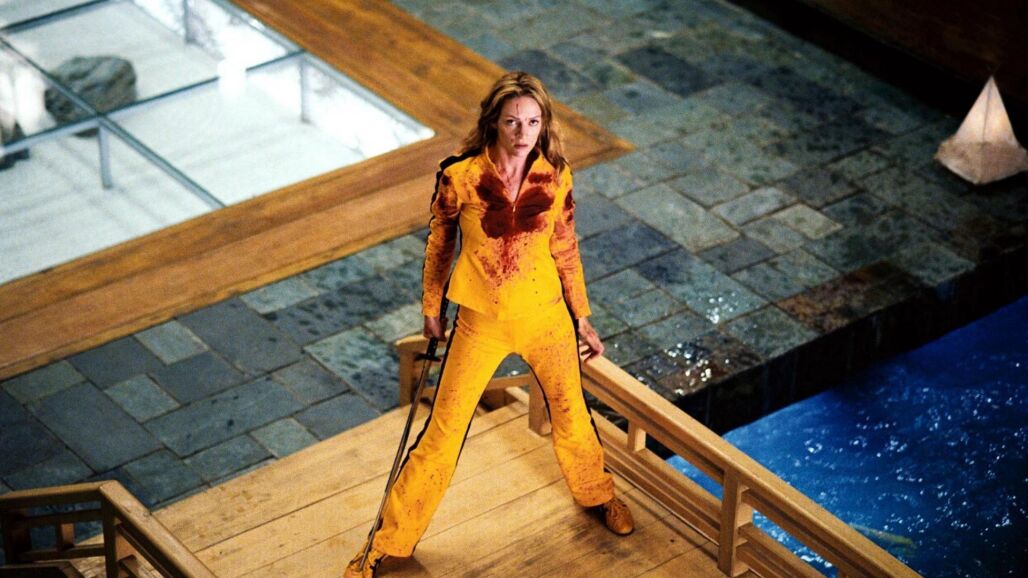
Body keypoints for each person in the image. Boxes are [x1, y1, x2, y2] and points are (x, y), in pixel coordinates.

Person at [344, 71, 634, 578]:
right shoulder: (460, 176)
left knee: (572, 416)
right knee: (442, 434)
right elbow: (440, 242)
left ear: (543, 125)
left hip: (546, 317)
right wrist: (431, 308)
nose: (523, 132)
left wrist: (583, 317)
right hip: (480, 322)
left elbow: (566, 247)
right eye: (512, 122)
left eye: (533, 122)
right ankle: (386, 545)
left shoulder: (556, 175)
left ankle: (598, 494)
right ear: (493, 123)